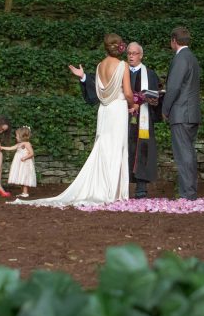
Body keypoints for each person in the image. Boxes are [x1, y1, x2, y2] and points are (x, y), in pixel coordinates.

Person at [14, 33, 134, 206]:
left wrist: (83, 76)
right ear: (119, 47)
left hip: (105, 110)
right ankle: (112, 192)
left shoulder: (100, 65)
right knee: (117, 148)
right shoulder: (123, 65)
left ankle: (101, 189)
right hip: (118, 109)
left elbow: (97, 89)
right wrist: (133, 103)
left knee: (103, 148)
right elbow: (128, 93)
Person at [68, 41, 161, 199]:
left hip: (141, 119)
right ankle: (117, 186)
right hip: (119, 117)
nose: (131, 56)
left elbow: (156, 93)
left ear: (141, 55)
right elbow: (102, 86)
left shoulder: (149, 74)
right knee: (118, 149)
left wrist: (140, 104)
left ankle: (141, 187)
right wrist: (84, 77)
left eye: (135, 53)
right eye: (129, 53)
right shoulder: (119, 68)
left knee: (141, 149)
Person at [163, 26, 202, 201]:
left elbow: (174, 87)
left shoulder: (180, 58)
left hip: (181, 113)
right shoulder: (192, 58)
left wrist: (165, 108)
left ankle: (188, 193)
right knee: (189, 152)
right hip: (192, 113)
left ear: (174, 40)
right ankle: (189, 191)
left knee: (184, 154)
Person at [4, 126, 36, 198]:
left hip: (25, 163)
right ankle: (23, 192)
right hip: (20, 164)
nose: (16, 137)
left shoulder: (27, 144)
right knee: (21, 176)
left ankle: (25, 193)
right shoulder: (19, 144)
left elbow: (32, 153)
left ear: (22, 136)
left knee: (24, 176)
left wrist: (25, 157)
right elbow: (10, 148)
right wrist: (1, 147)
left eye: (17, 136)